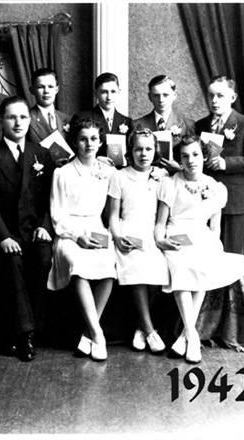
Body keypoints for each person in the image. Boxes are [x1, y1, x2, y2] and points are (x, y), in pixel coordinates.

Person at [154, 135, 244, 363]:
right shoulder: (170, 183)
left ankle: (186, 336)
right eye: (185, 156)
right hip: (176, 236)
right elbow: (160, 223)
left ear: (204, 157)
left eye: (195, 154)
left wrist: (212, 248)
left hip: (201, 237)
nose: (191, 160)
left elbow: (215, 229)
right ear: (179, 159)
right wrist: (161, 241)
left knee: (203, 265)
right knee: (181, 267)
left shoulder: (215, 187)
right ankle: (192, 335)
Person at [0, 97, 54, 362]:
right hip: (3, 231)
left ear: (29, 121)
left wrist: (43, 227)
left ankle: (31, 330)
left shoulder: (41, 154)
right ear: (1, 121)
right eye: (11, 117)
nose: (17, 123)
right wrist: (4, 237)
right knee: (12, 261)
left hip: (33, 230)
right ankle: (23, 336)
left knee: (42, 258)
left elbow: (50, 198)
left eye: (22, 117)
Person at [47, 118, 116, 361]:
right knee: (77, 265)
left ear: (100, 142)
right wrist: (77, 237)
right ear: (75, 142)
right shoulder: (62, 172)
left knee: (110, 266)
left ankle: (88, 333)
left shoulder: (108, 172)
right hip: (69, 232)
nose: (89, 144)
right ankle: (98, 333)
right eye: (83, 139)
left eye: (94, 139)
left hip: (96, 228)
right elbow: (57, 216)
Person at [108, 129, 170, 353]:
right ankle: (150, 331)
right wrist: (117, 236)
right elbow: (113, 214)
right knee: (134, 262)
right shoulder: (119, 176)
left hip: (152, 232)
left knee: (160, 265)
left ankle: (140, 327)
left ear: (155, 151)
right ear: (130, 151)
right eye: (138, 149)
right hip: (128, 230)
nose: (143, 154)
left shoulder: (161, 176)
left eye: (148, 149)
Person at [195, 75, 244, 254]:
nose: (214, 101)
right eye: (210, 96)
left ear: (232, 98)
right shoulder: (201, 125)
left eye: (220, 96)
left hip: (232, 200)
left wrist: (226, 163)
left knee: (228, 253)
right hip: (202, 198)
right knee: (204, 251)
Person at [133, 75, 195, 174]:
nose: (161, 100)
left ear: (174, 95)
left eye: (166, 95)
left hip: (176, 179)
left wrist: (180, 169)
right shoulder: (138, 124)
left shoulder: (188, 125)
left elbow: (194, 158)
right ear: (149, 97)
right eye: (156, 95)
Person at [69, 72, 133, 160]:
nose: (109, 97)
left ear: (119, 92)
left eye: (113, 92)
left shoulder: (127, 121)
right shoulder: (81, 117)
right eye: (104, 92)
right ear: (96, 93)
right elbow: (73, 149)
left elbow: (131, 153)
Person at [27, 67, 70, 145]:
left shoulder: (66, 119)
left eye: (50, 87)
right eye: (40, 87)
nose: (46, 91)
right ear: (32, 90)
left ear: (56, 90)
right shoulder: (27, 118)